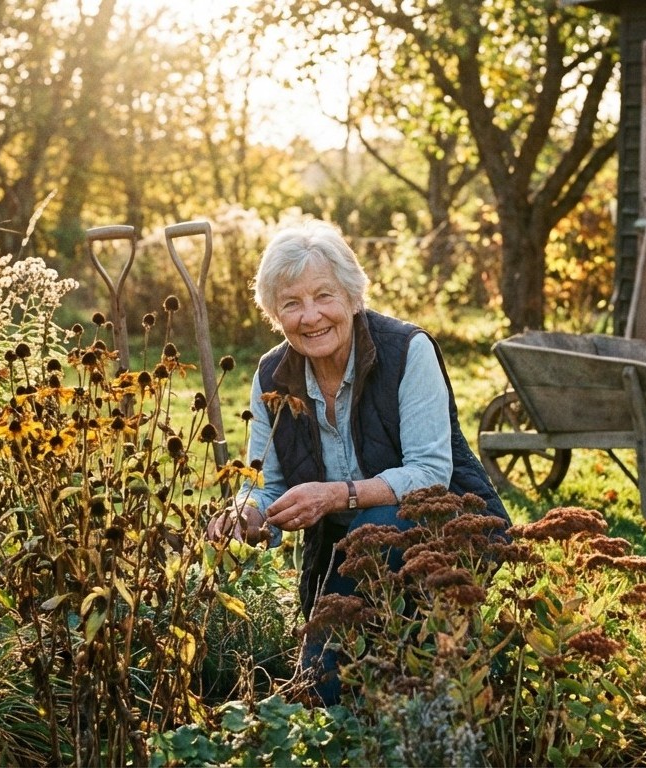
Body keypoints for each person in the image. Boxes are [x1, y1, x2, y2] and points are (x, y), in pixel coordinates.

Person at [205, 218, 508, 705]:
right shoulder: (272, 374)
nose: (311, 316)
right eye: (291, 303)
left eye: (324, 296)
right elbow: (266, 482)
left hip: (446, 529)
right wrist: (248, 514)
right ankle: (339, 710)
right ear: (273, 313)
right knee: (362, 643)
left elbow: (431, 474)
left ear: (351, 296)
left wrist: (336, 495)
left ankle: (316, 703)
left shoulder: (408, 352)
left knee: (379, 528)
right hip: (342, 552)